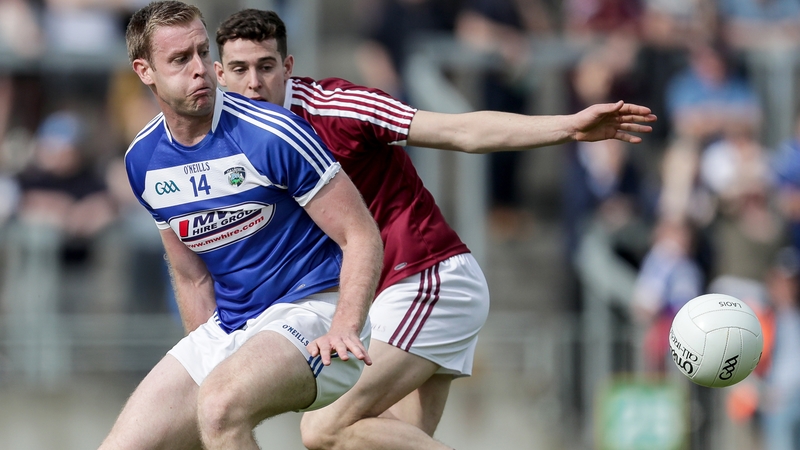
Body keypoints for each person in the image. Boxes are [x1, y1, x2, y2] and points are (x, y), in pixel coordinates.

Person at [214, 8, 656, 450]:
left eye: (265, 66)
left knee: (323, 428)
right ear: (220, 76)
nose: (254, 82)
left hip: (427, 278)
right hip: (388, 297)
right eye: (240, 69)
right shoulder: (232, 149)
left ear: (287, 67)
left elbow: (460, 130)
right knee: (383, 439)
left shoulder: (336, 107)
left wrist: (567, 127)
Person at [98, 2, 383, 449]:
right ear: (144, 71)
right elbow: (192, 278)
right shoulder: (143, 160)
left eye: (200, 52)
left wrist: (346, 324)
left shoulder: (273, 132)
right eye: (179, 60)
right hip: (231, 326)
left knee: (218, 406)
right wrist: (212, 360)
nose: (200, 70)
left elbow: (361, 233)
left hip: (314, 314)